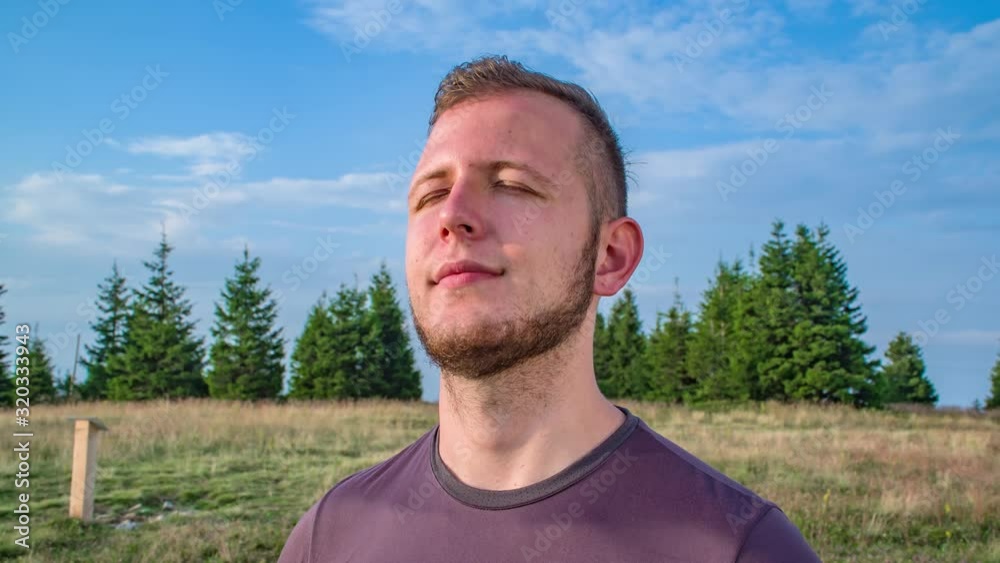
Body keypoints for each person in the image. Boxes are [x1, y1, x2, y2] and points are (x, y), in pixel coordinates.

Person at [278, 55, 821, 563]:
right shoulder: (329, 536)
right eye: (430, 195)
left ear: (610, 257)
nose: (452, 215)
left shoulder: (737, 547)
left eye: (511, 185)